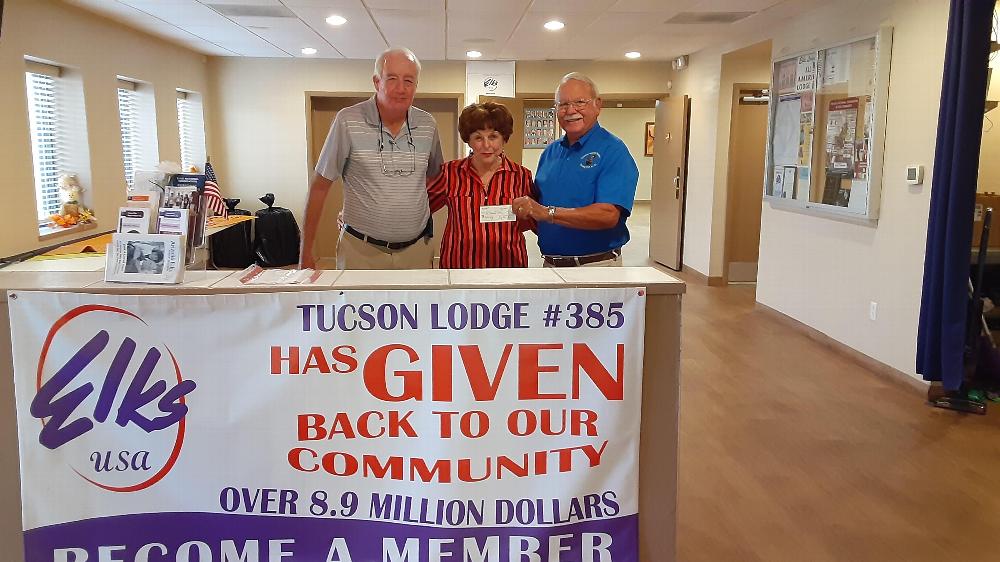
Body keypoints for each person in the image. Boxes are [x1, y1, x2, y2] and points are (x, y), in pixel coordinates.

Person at [299, 47, 444, 270]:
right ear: (377, 82)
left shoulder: (427, 125)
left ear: (416, 85)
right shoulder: (347, 120)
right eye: (392, 78)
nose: (401, 88)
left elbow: (434, 180)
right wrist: (305, 254)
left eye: (409, 80)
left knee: (417, 306)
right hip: (360, 252)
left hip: (417, 251)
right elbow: (320, 186)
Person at [513, 73, 638, 267]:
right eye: (562, 104)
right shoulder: (550, 152)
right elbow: (538, 208)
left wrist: (548, 213)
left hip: (596, 266)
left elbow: (607, 215)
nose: (570, 110)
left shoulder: (613, 150)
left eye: (580, 102)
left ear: (598, 105)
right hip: (550, 265)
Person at [427, 102, 536, 268]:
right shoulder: (450, 173)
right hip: (460, 266)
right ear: (468, 141)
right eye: (478, 137)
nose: (486, 145)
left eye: (493, 137)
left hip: (508, 267)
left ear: (504, 138)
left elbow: (534, 221)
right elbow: (421, 210)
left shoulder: (521, 176)